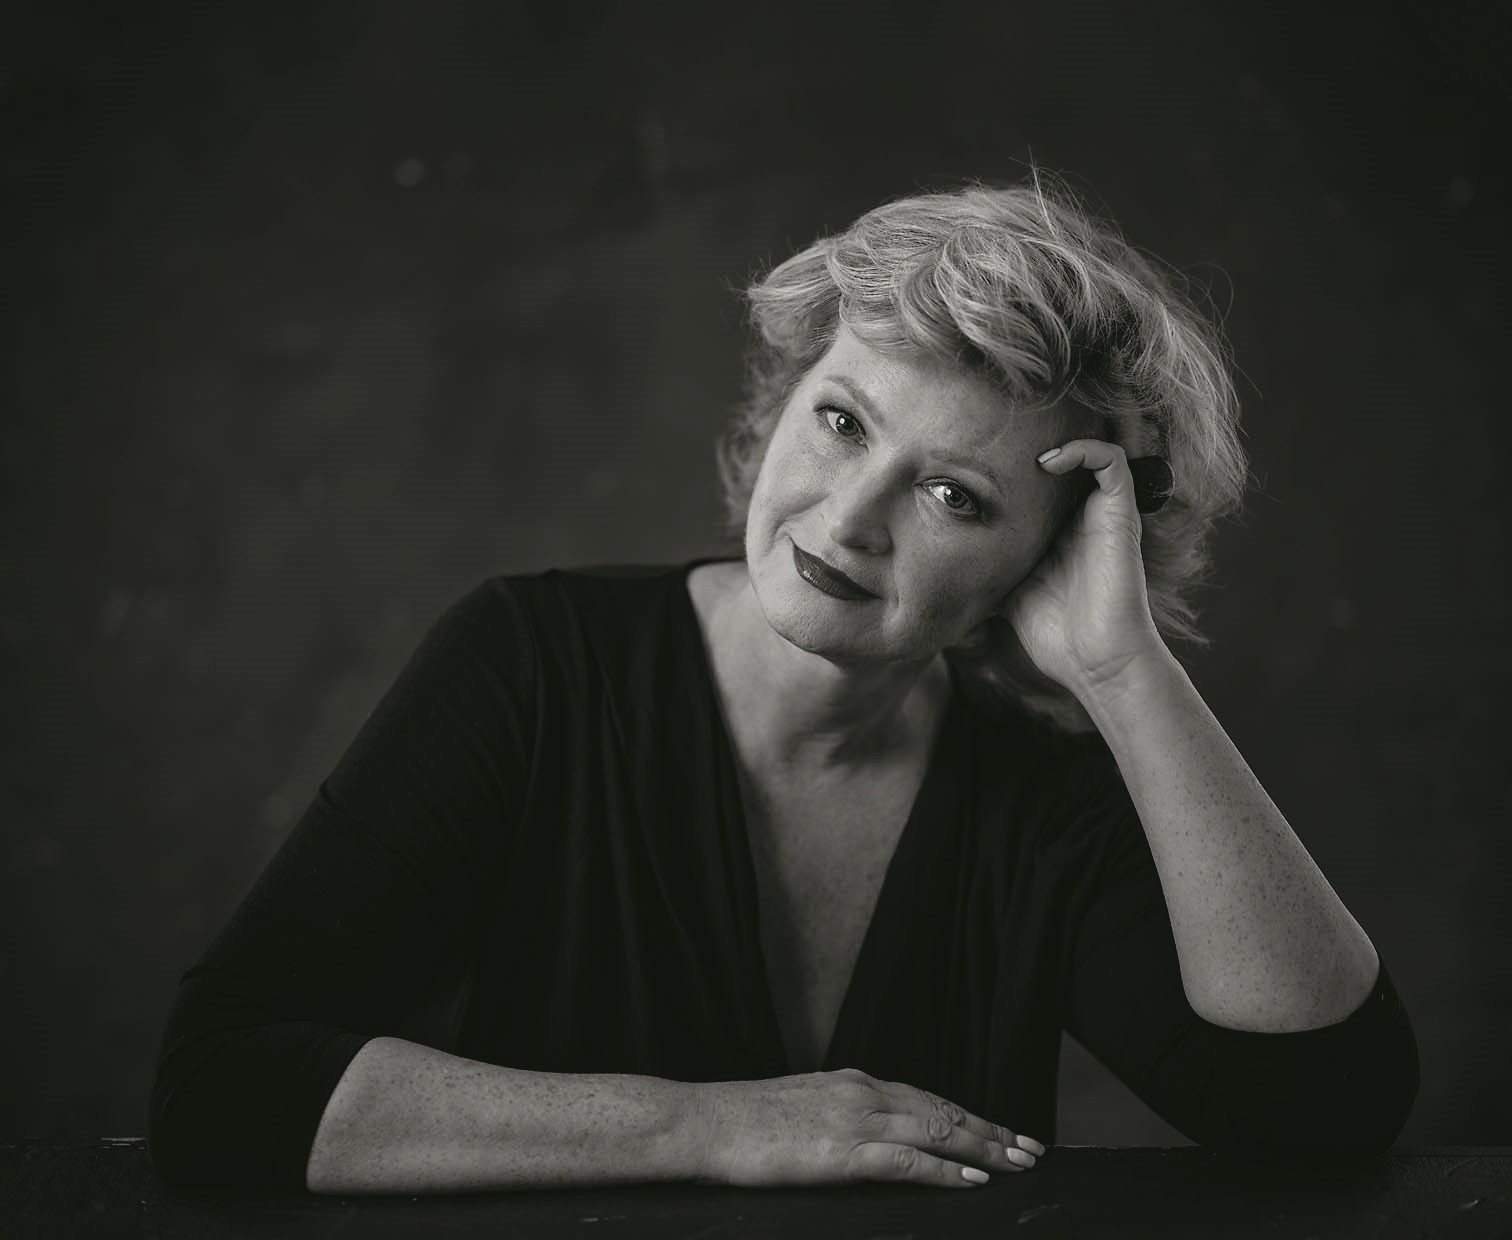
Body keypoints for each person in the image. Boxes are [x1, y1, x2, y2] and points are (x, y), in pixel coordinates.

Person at [149, 176, 1418, 1195]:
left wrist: (1123, 669)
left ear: (1044, 562)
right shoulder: (534, 663)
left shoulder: (1040, 798)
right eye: (844, 421)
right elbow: (222, 1086)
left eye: (954, 495)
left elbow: (1324, 1109)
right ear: (785, 398)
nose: (850, 517)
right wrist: (709, 1126)